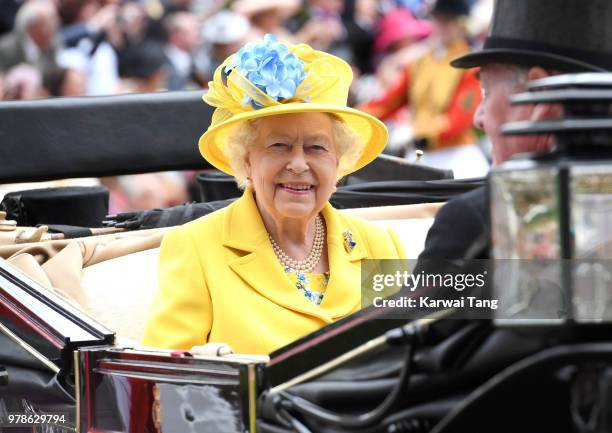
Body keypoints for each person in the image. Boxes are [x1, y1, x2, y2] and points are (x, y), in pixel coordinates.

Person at [142, 34, 406, 354]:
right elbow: (165, 381)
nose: (298, 164)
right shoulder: (196, 248)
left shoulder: (379, 245)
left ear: (338, 163)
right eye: (278, 146)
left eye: (316, 148)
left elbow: (407, 355)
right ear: (247, 160)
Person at [417, 0, 612, 262]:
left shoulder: (482, 218)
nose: (479, 117)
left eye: (486, 93)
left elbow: (420, 304)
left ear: (539, 96)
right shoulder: (422, 62)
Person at [359, 0, 486, 177]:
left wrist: (415, 130)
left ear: (461, 24)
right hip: (419, 153)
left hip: (456, 154)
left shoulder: (470, 65)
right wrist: (356, 117)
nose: (442, 26)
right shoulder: (420, 62)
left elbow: (458, 120)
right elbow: (389, 102)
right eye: (438, 20)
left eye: (448, 21)